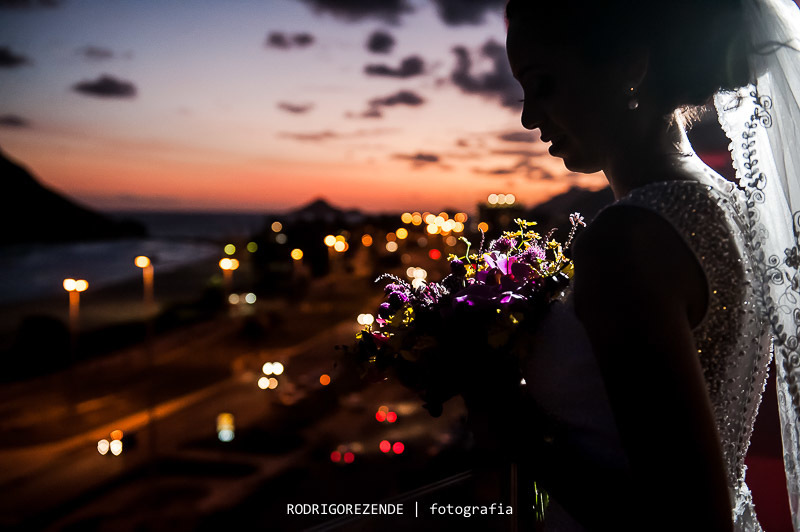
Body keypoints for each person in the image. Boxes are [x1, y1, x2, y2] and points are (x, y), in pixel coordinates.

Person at [504, 0, 800, 530]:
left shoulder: (627, 242)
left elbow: (683, 519)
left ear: (630, 68)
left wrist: (505, 419)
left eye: (543, 83)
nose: (528, 116)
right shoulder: (736, 207)